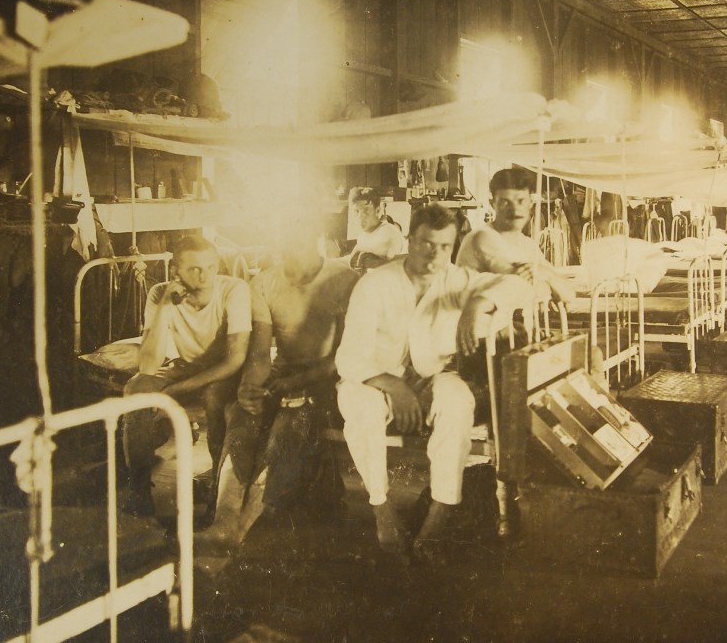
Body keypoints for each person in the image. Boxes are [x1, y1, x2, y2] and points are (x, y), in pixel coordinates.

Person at [335, 203, 532, 562]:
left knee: (457, 400)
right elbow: (349, 359)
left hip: (429, 379)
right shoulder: (375, 284)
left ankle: (439, 515)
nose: (435, 254)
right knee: (360, 407)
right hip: (372, 382)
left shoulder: (456, 280)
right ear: (409, 241)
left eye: (444, 246)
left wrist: (477, 306)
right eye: (426, 243)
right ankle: (382, 508)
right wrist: (394, 387)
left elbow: (517, 286)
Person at [195, 216, 359, 554]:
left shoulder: (346, 279)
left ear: (317, 232)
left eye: (297, 231)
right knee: (242, 415)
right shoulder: (264, 282)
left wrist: (293, 384)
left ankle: (243, 528)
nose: (287, 242)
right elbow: (259, 355)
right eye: (283, 233)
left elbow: (344, 356)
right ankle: (224, 519)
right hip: (282, 374)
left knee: (286, 429)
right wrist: (250, 389)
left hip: (329, 378)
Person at [122, 235, 251, 516]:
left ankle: (217, 494)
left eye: (210, 267)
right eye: (194, 269)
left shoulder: (233, 289)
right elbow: (147, 365)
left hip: (223, 372)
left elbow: (235, 359)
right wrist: (166, 307)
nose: (204, 276)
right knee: (136, 389)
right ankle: (138, 491)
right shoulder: (159, 294)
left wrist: (175, 392)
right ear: (175, 271)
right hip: (184, 367)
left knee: (215, 397)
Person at [455, 167, 575, 304]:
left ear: (530, 203)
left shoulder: (527, 244)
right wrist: (549, 284)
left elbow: (569, 295)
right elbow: (529, 289)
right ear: (492, 204)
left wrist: (546, 274)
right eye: (505, 202)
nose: (514, 209)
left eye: (521, 201)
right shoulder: (484, 237)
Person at [344, 187, 406, 271]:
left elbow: (388, 252)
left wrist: (359, 247)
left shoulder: (388, 230)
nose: (360, 217)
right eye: (356, 211)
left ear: (377, 210)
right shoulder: (364, 236)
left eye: (366, 211)